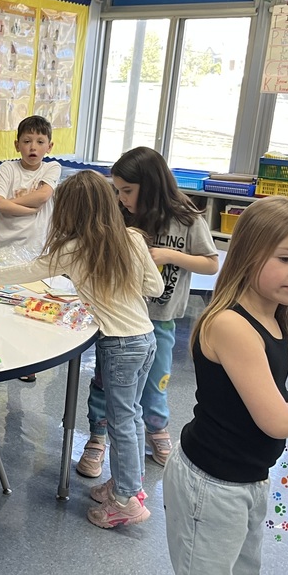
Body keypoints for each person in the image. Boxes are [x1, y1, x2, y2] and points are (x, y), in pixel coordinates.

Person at [154, 196, 288, 575]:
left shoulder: (274, 317)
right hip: (212, 486)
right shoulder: (232, 325)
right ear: (249, 254)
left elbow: (267, 392)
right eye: (286, 258)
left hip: (247, 482)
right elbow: (274, 419)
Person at [0, 170, 163, 528]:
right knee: (132, 416)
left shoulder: (73, 248)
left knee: (121, 422)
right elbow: (154, 288)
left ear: (68, 212)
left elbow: (29, 270)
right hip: (145, 338)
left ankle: (126, 499)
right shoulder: (132, 238)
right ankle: (126, 484)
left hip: (119, 345)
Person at [77, 147, 218, 476]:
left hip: (161, 320)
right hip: (119, 322)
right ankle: (97, 436)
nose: (122, 198)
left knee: (156, 382)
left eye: (127, 190)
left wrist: (169, 256)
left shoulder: (187, 218)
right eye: (118, 191)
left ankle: (156, 429)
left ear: (151, 185)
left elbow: (210, 264)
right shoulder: (121, 215)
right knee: (105, 383)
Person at [0, 115, 61, 382]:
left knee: (30, 307)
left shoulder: (52, 168)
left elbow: (43, 195)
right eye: (27, 141)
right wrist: (29, 208)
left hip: (35, 250)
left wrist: (12, 203)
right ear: (17, 144)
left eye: (40, 142)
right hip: (2, 249)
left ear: (49, 146)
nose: (33, 147)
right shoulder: (8, 168)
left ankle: (26, 361)